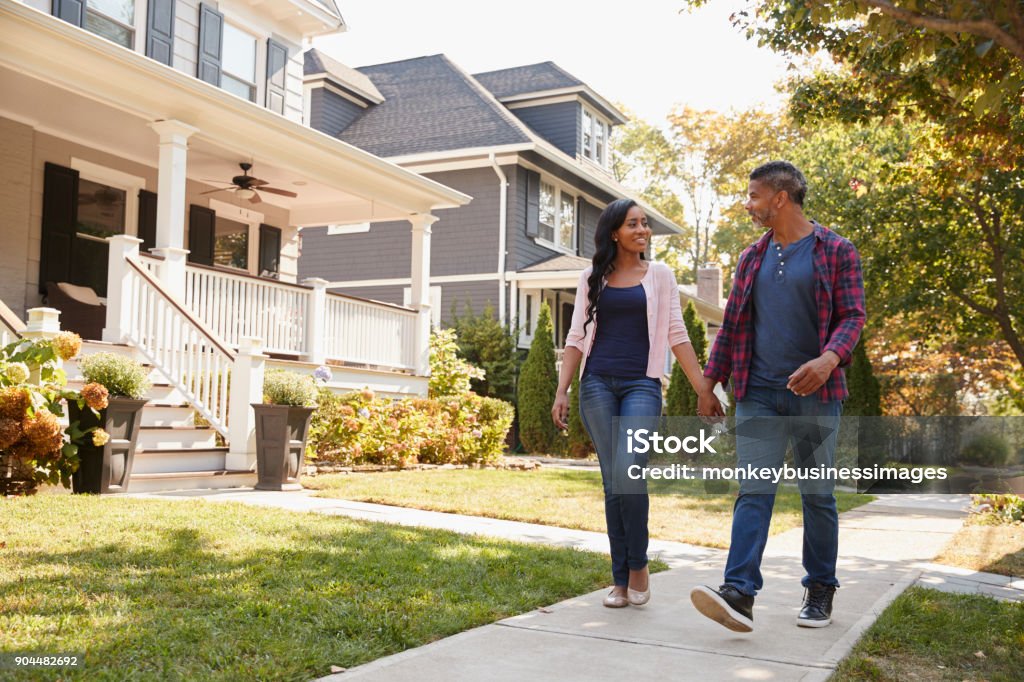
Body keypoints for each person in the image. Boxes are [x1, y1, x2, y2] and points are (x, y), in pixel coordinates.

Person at [689, 161, 865, 632]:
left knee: (818, 495)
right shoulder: (751, 258)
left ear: (780, 197)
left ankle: (820, 586)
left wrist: (829, 359)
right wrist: (709, 383)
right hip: (758, 392)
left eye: (753, 196)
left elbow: (853, 316)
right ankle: (739, 592)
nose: (748, 205)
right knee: (754, 491)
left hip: (816, 394)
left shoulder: (837, 251)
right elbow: (732, 327)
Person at [552, 198, 723, 609]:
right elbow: (576, 337)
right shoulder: (592, 277)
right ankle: (619, 581)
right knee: (614, 483)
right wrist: (562, 389)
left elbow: (676, 333)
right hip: (596, 385)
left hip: (641, 385)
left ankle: (638, 566)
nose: (643, 230)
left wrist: (704, 388)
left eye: (645, 224)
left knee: (629, 470)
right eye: (633, 224)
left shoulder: (660, 275)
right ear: (615, 232)